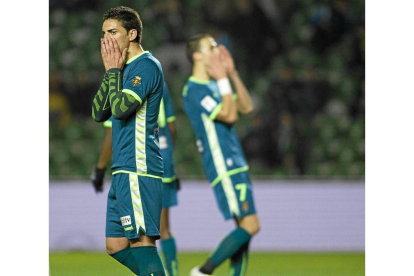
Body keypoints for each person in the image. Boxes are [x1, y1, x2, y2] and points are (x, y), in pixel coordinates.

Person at [91, 6, 166, 276]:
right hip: (121, 168)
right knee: (115, 245)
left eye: (113, 32)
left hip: (138, 165)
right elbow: (99, 113)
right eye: (103, 34)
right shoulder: (121, 68)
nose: (107, 39)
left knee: (141, 243)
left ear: (132, 33)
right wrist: (111, 71)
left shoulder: (146, 66)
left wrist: (114, 72)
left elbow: (121, 109)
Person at [183, 34, 260, 276]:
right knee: (251, 225)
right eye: (211, 46)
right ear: (197, 55)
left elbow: (246, 107)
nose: (217, 49)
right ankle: (204, 271)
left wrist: (232, 74)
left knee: (244, 229)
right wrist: (223, 79)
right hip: (222, 163)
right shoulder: (193, 90)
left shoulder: (217, 84)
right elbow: (229, 115)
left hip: (235, 162)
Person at [91, 81, 180, 276]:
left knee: (142, 238)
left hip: (136, 164)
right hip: (161, 159)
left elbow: (111, 133)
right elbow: (171, 127)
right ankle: (168, 272)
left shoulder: (123, 85)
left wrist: (100, 168)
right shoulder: (160, 84)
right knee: (162, 230)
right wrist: (171, 162)